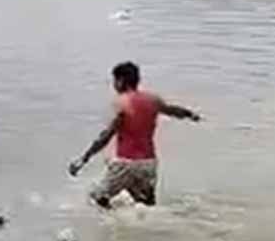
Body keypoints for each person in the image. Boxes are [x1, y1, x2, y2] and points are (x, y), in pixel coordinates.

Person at [69, 61, 200, 208]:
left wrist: (84, 159)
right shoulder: (153, 100)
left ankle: (113, 221)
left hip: (126, 163)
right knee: (146, 205)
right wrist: (191, 115)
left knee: (96, 199)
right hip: (148, 164)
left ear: (120, 81)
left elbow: (106, 136)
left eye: (114, 81)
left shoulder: (121, 103)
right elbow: (173, 111)